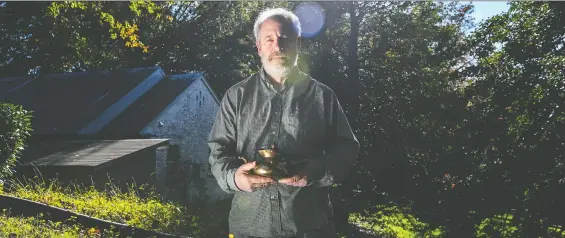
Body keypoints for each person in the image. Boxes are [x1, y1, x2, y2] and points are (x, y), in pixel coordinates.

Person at [208, 7, 359, 238]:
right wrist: (234, 178)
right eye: (268, 39)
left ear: (298, 43)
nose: (277, 46)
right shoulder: (236, 96)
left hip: (309, 228)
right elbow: (218, 150)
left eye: (284, 38)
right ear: (258, 47)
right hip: (249, 228)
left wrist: (316, 171)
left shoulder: (323, 96)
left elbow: (346, 147)